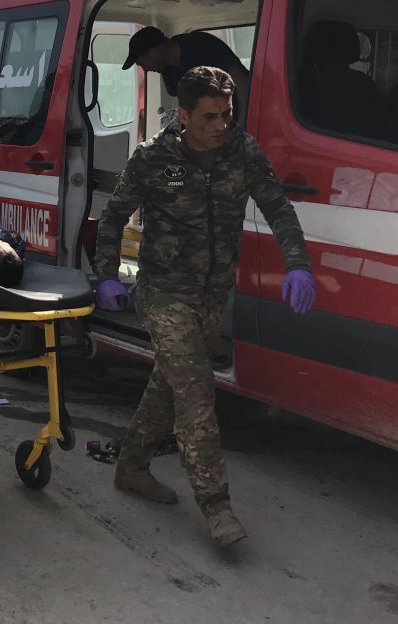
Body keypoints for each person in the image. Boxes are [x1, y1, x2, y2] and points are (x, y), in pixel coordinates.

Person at [93, 67, 316, 548]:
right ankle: (218, 509)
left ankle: (130, 467)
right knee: (196, 394)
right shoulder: (153, 159)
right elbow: (112, 216)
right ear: (183, 115)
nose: (221, 125)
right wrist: (106, 275)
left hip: (214, 292)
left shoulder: (243, 150)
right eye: (210, 116)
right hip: (164, 292)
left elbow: (278, 207)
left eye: (227, 114)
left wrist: (298, 264)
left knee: (169, 387)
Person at [123, 26, 250, 120]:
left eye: (143, 64)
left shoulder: (203, 47)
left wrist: (244, 125)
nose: (146, 70)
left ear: (153, 53)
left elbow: (241, 82)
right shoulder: (169, 70)